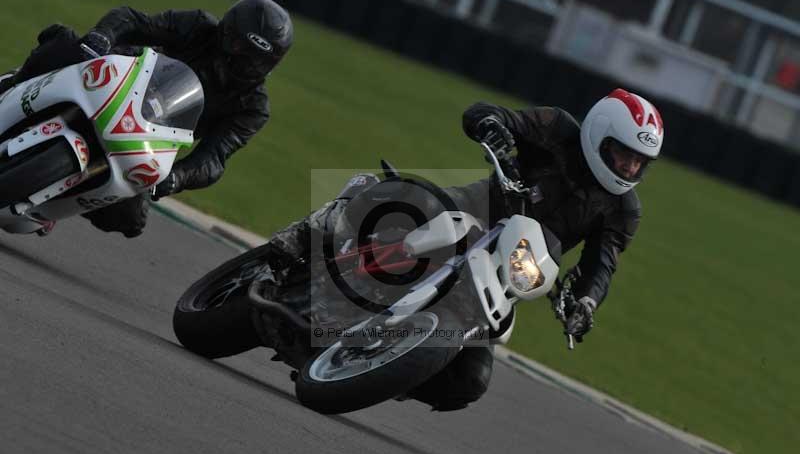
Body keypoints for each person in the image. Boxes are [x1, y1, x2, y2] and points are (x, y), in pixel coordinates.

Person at [264, 88, 663, 411]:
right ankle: (312, 229)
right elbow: (496, 114)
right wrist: (491, 124)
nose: (628, 168)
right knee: (403, 201)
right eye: (622, 154)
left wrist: (587, 302)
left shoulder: (624, 209)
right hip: (480, 206)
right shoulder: (558, 127)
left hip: (514, 266)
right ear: (598, 135)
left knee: (470, 381)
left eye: (638, 162)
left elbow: (603, 263)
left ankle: (382, 369)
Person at [2, 0, 292, 237]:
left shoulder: (253, 107)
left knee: (131, 219)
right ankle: (11, 85)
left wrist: (178, 177)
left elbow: (215, 157)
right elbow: (132, 19)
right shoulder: (198, 25)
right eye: (241, 47)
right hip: (121, 81)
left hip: (149, 138)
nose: (243, 61)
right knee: (64, 44)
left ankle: (53, 201)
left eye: (256, 60)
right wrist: (102, 37)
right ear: (226, 33)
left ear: (270, 64)